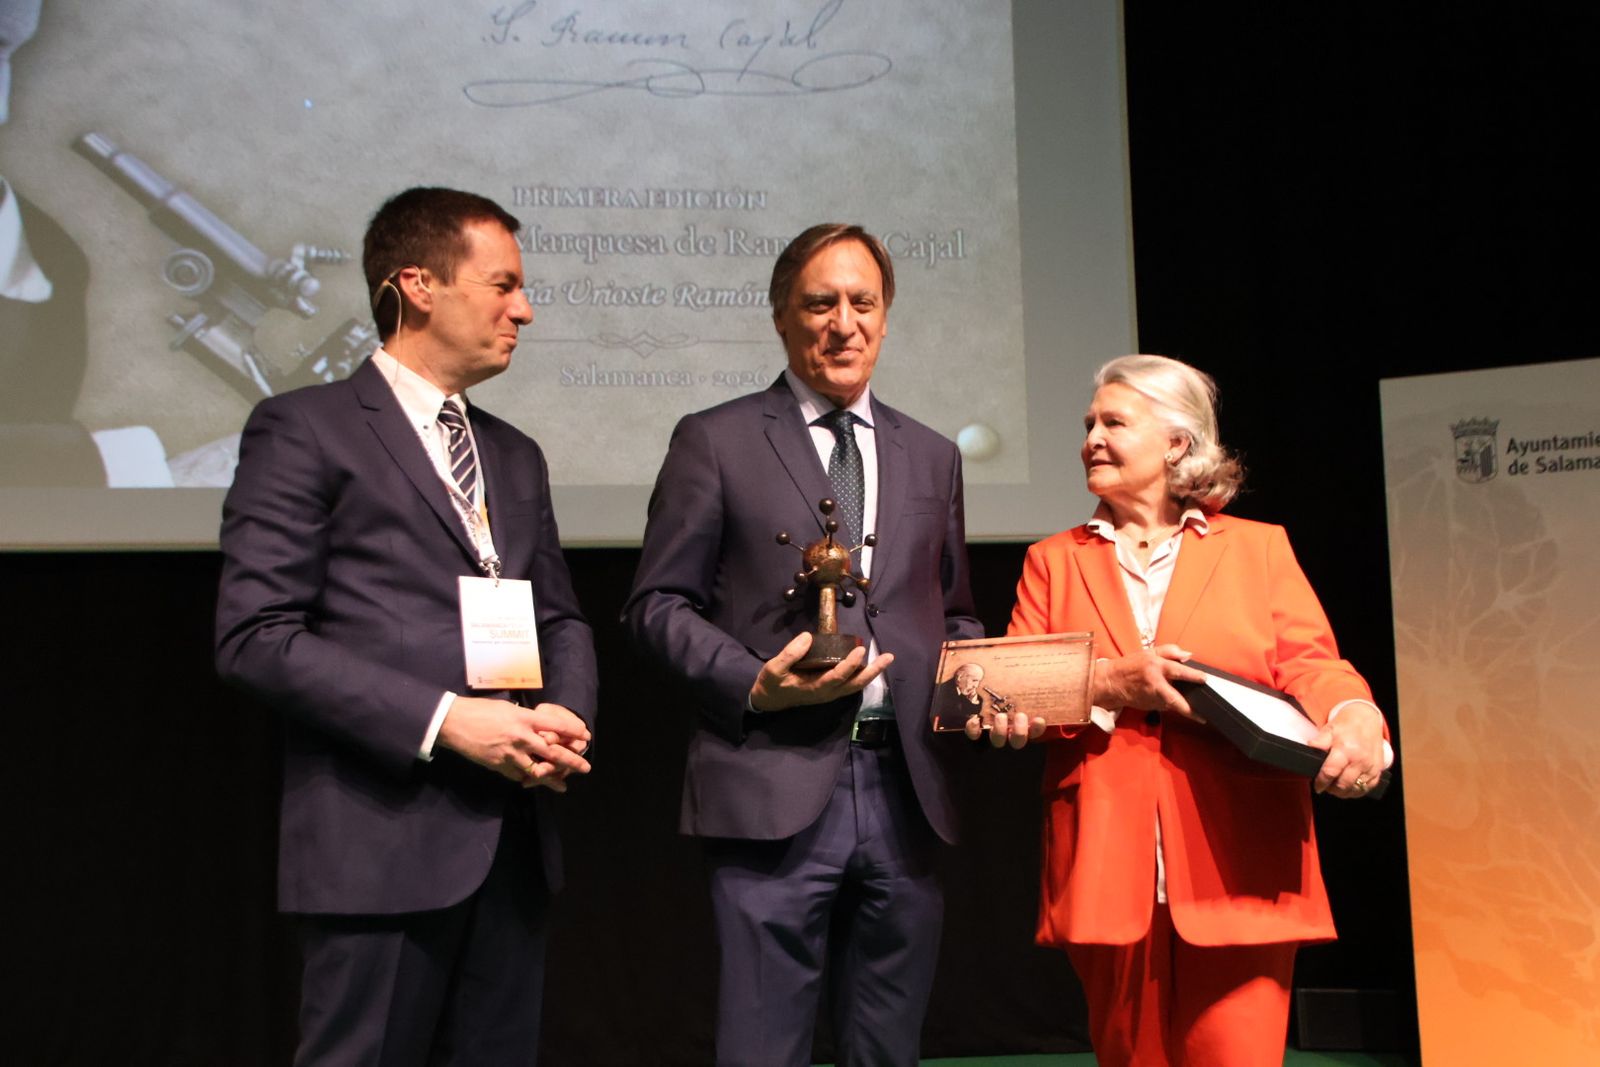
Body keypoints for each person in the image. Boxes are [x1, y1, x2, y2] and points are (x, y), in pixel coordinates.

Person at [624, 223, 1027, 1067]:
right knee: (763, 1047)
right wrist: (752, 682)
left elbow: (950, 612)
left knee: (887, 1048)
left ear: (885, 319)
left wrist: (991, 687)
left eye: (862, 303)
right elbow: (656, 605)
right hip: (771, 779)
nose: (843, 322)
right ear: (782, 317)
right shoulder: (715, 439)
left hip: (905, 788)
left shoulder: (932, 453)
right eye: (820, 303)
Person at [215, 187, 596, 1066]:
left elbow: (560, 614)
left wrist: (567, 713)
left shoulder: (514, 452)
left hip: (513, 838)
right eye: (502, 284)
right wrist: (448, 719)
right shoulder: (304, 429)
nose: (525, 309)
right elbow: (255, 634)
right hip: (377, 844)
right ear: (418, 285)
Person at [981, 354, 1391, 1067]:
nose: (1091, 439)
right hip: (1109, 858)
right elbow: (1010, 682)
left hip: (1244, 855)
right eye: (1088, 424)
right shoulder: (1053, 559)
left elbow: (1312, 663)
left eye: (1114, 422)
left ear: (1177, 443)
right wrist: (1110, 682)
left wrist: (1356, 713)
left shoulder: (1258, 548)